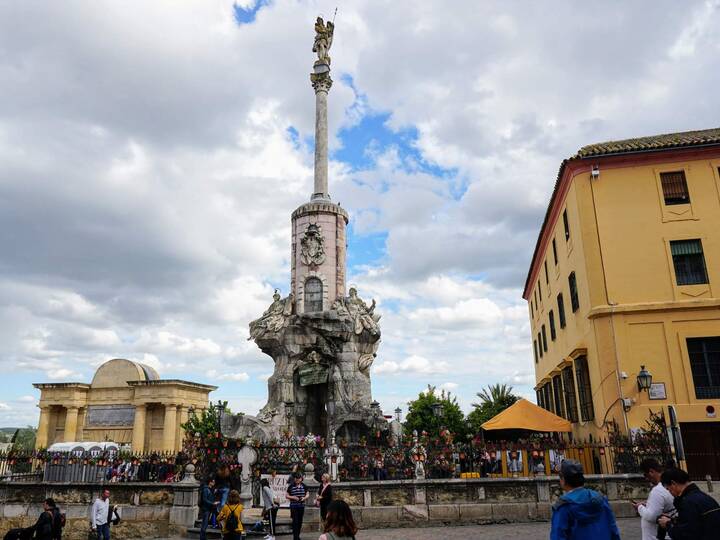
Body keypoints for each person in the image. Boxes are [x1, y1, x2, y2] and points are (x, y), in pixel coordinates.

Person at [550, 460, 621, 540]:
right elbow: (613, 530)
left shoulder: (563, 507)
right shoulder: (601, 499)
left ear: (563, 480)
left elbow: (558, 536)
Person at [658, 467, 720, 540]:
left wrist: (667, 524)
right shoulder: (706, 497)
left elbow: (685, 535)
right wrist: (675, 521)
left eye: (668, 489)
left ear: (673, 483)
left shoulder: (688, 503)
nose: (670, 493)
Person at [633, 458, 675, 540]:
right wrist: (648, 505)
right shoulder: (668, 485)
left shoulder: (658, 490)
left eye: (645, 475)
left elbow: (652, 516)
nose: (646, 479)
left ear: (651, 471)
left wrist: (639, 507)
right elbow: (661, 508)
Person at [286, 472, 309, 540]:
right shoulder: (291, 486)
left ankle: (297, 536)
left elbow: (307, 494)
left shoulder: (304, 486)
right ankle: (295, 537)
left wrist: (304, 498)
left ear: (301, 479)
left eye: (298, 479)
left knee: (300, 521)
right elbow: (286, 495)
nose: (297, 480)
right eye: (296, 478)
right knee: (295, 521)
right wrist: (293, 497)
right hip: (293, 506)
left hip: (301, 506)